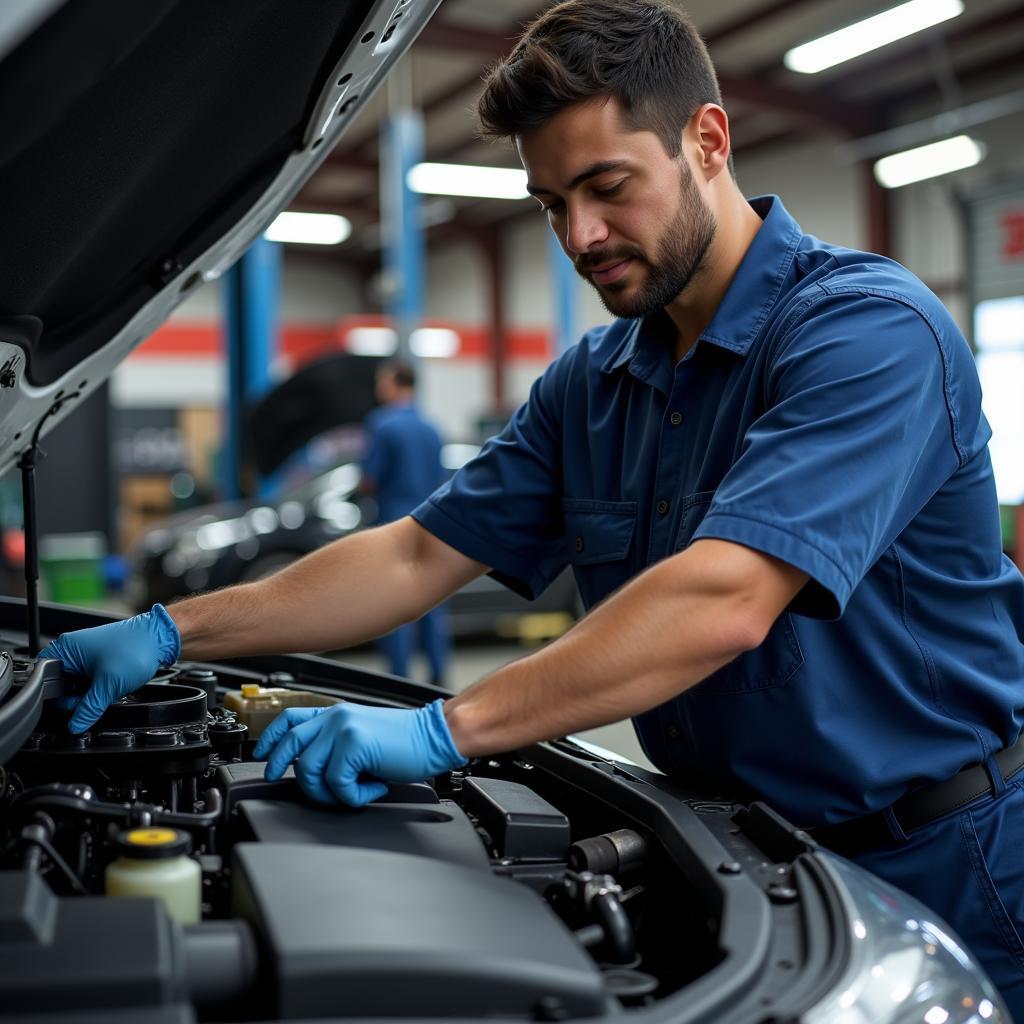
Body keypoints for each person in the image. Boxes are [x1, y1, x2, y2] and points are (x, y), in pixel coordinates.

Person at [41, 0, 1024, 1012]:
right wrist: (168, 632)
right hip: (742, 857)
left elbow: (723, 597)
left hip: (941, 860)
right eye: (552, 203)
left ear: (708, 140)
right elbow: (415, 557)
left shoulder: (865, 334)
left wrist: (445, 730)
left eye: (607, 188)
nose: (580, 235)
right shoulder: (594, 383)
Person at [359, 359, 449, 684]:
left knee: (396, 603)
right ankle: (439, 674)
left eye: (382, 381)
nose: (377, 388)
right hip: (431, 523)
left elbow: (369, 478)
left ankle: (399, 678)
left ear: (395, 384)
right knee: (431, 601)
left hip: (393, 524)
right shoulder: (432, 429)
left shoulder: (382, 424)